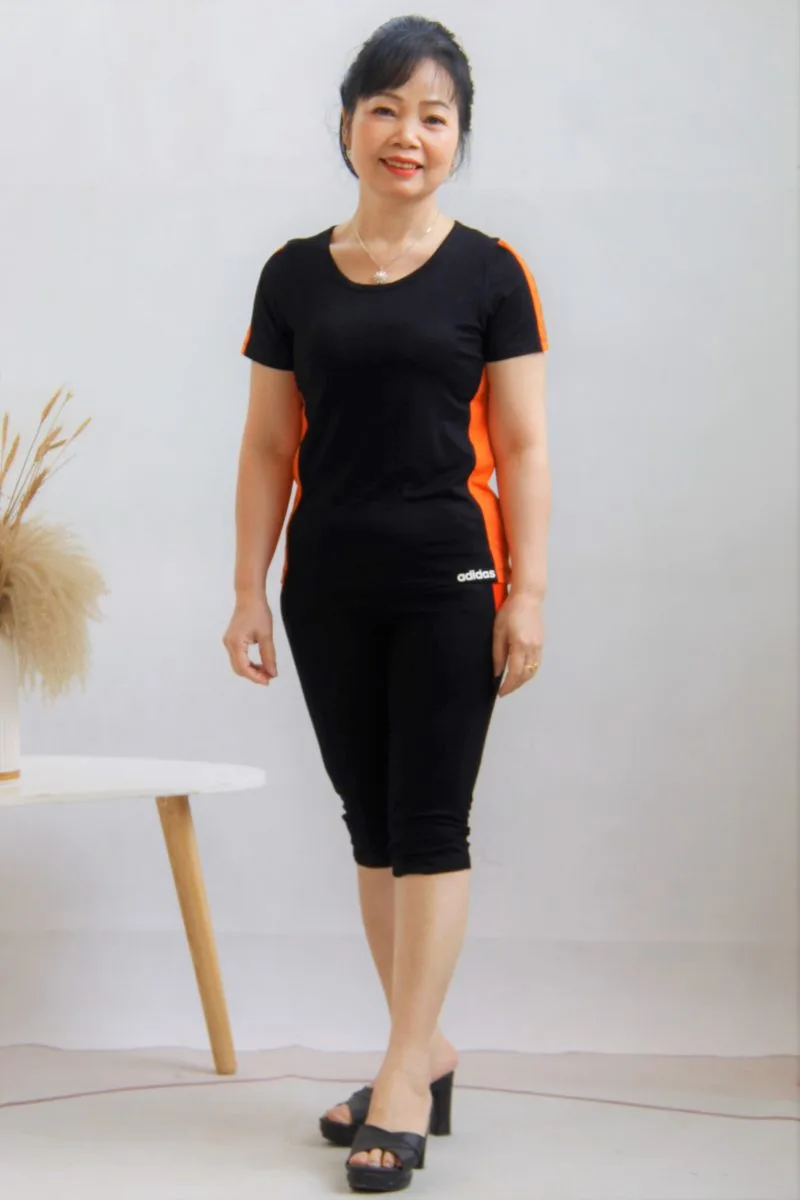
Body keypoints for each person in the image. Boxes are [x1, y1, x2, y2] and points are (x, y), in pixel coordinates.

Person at [223, 14, 551, 1194]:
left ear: (457, 138)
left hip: (449, 581)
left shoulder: (490, 273)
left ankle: (403, 1075)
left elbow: (522, 444)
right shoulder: (292, 275)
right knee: (369, 825)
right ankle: (427, 1049)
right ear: (348, 123)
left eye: (433, 116)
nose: (407, 134)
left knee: (429, 826)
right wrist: (248, 590)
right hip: (326, 587)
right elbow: (269, 447)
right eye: (385, 109)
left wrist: (527, 592)